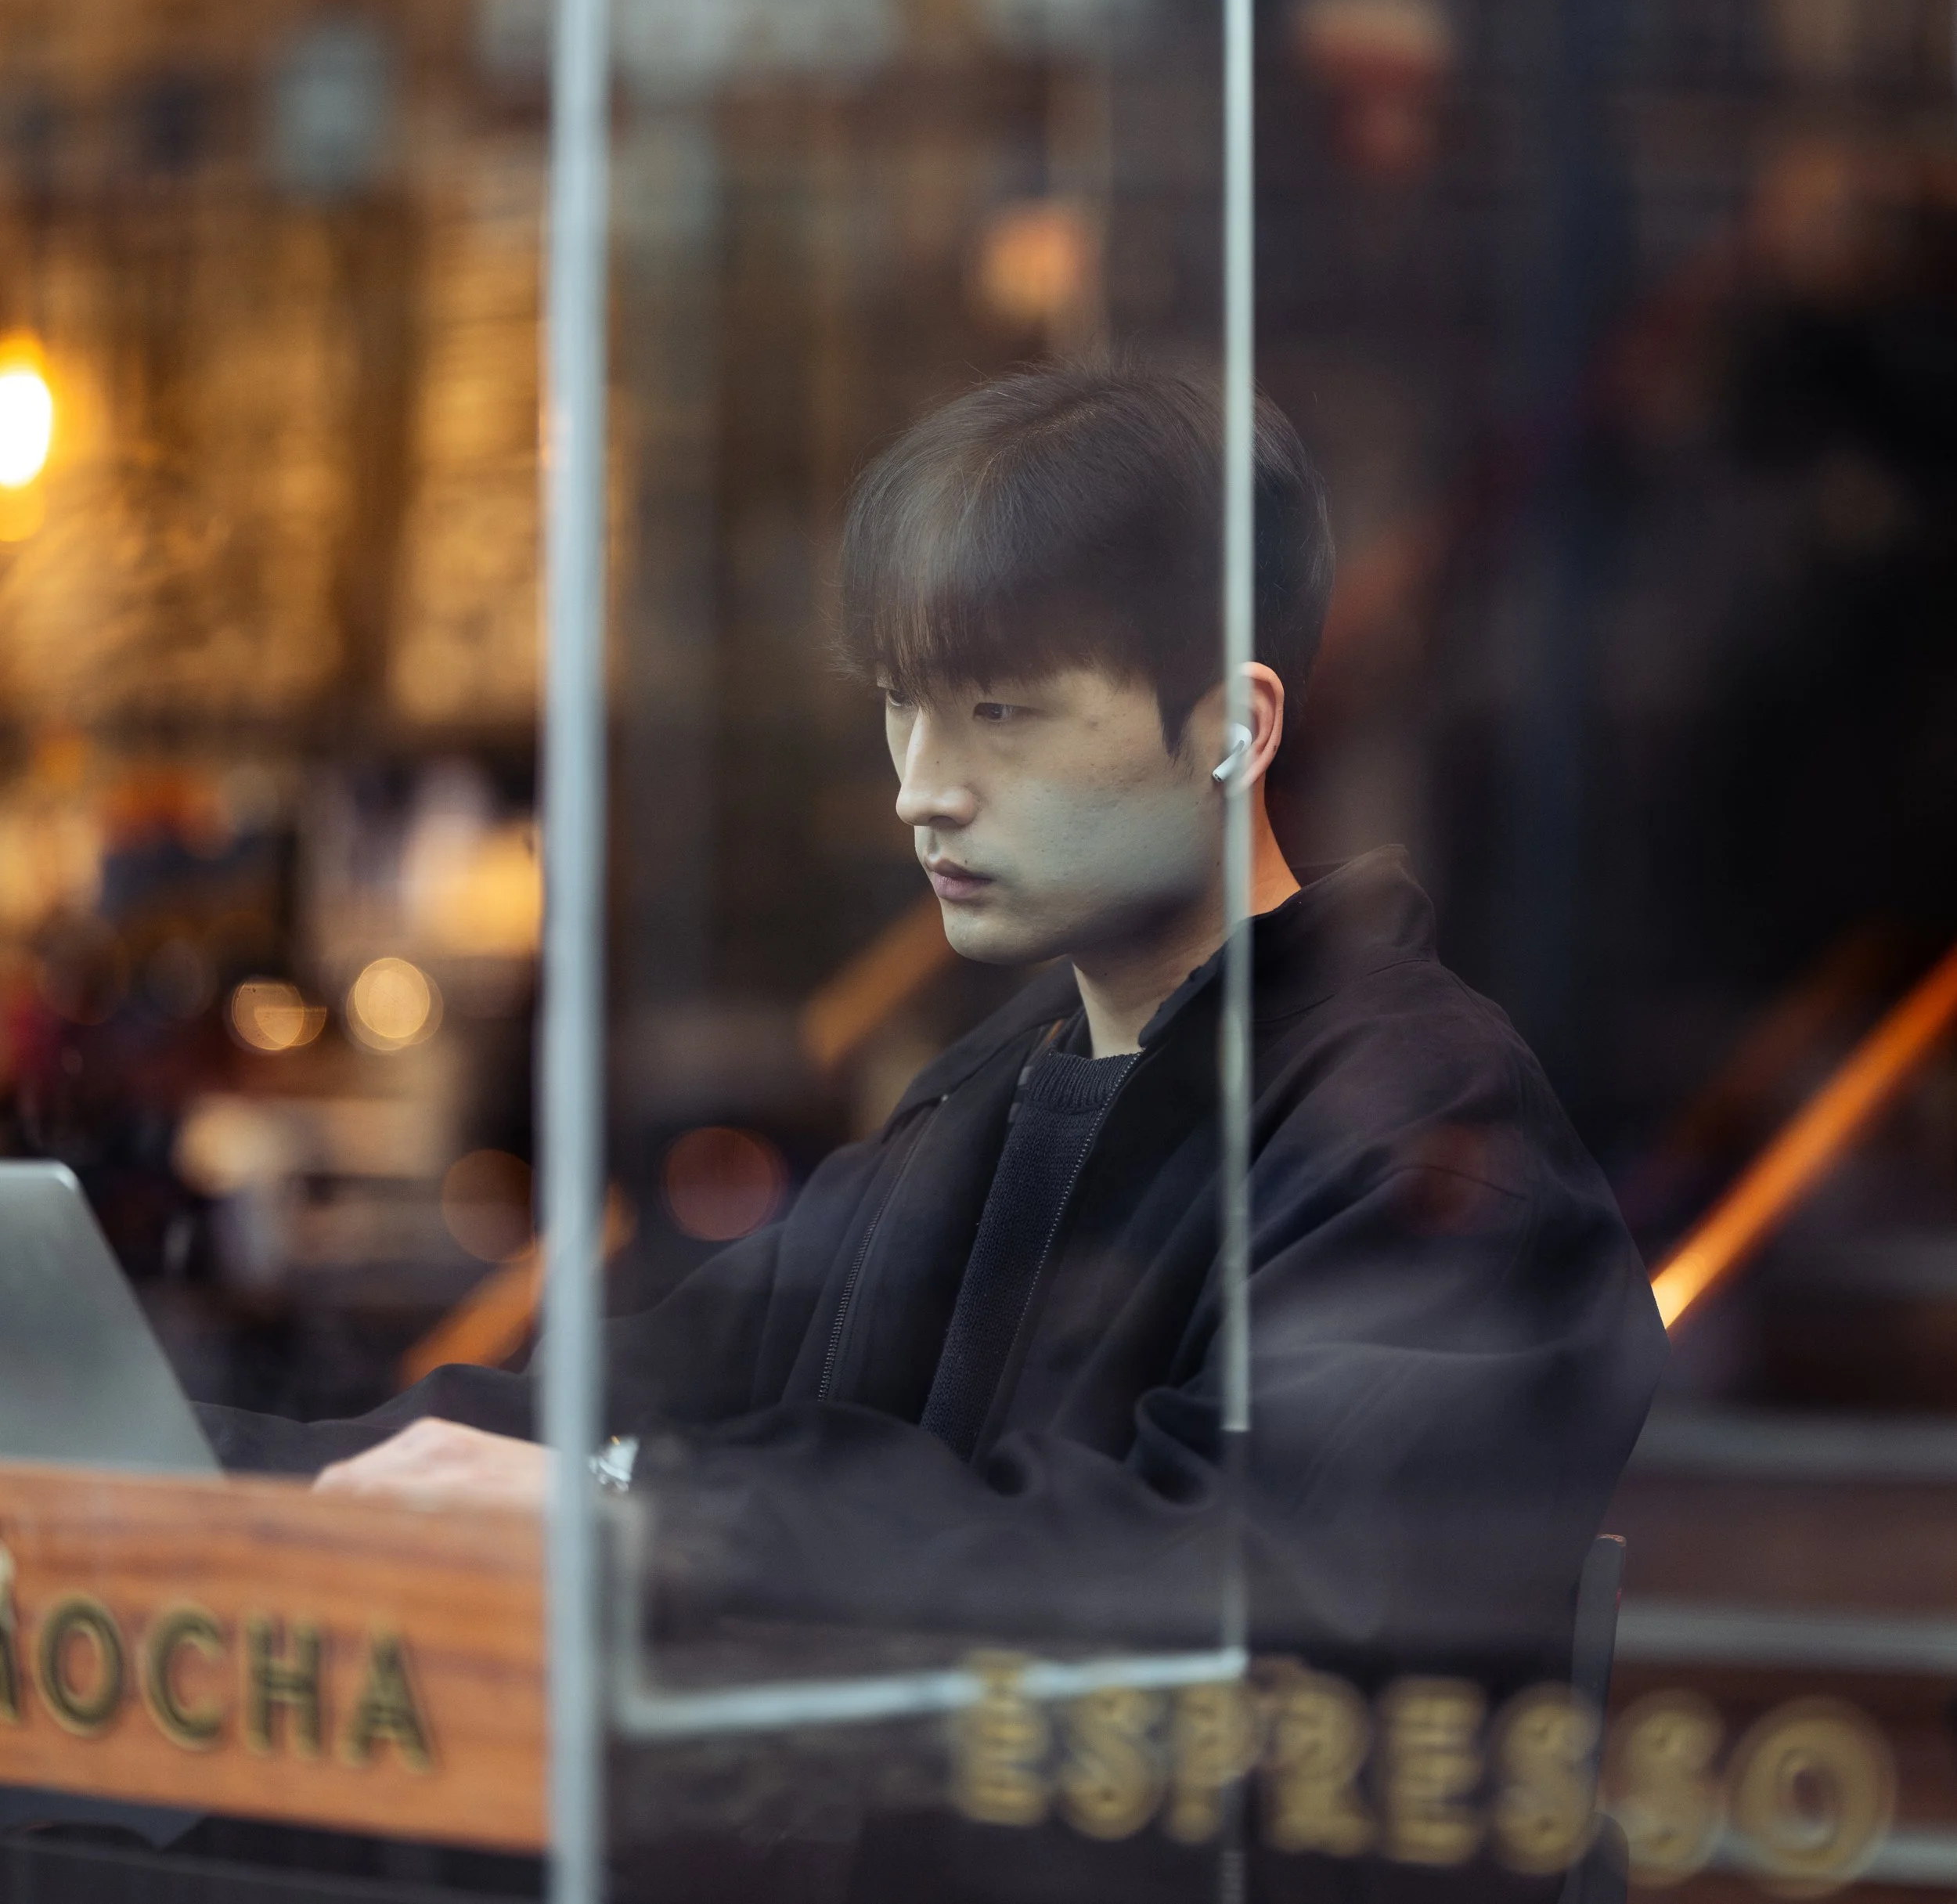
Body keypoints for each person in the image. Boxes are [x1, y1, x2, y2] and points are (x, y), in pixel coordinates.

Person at [204, 359, 1666, 1687]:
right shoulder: (985, 1102)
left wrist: (646, 1506)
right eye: (903, 706)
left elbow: (1238, 1587)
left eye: (1000, 714)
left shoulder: (1424, 1129)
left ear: (1236, 728)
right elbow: (634, 1399)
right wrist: (203, 1467)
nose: (921, 787)